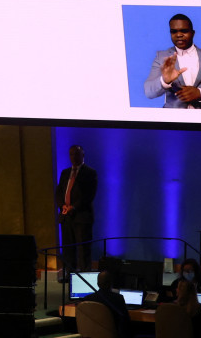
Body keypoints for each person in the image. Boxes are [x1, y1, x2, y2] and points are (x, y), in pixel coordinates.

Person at [144, 14, 201, 109]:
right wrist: (164, 81)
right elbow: (148, 92)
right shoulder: (162, 57)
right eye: (174, 32)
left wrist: (200, 93)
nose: (179, 35)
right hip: (174, 119)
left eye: (184, 31)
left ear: (193, 33)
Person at [55, 144, 97, 276]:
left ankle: (84, 277)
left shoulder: (90, 173)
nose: (74, 156)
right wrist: (63, 206)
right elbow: (59, 192)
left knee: (83, 250)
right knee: (68, 249)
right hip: (66, 216)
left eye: (77, 154)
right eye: (71, 154)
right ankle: (69, 274)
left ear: (83, 155)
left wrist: (73, 207)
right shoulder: (65, 172)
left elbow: (88, 195)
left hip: (81, 217)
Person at [81, 270, 132, 338]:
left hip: (91, 335)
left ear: (97, 284)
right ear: (111, 283)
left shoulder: (87, 299)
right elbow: (126, 321)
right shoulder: (118, 298)